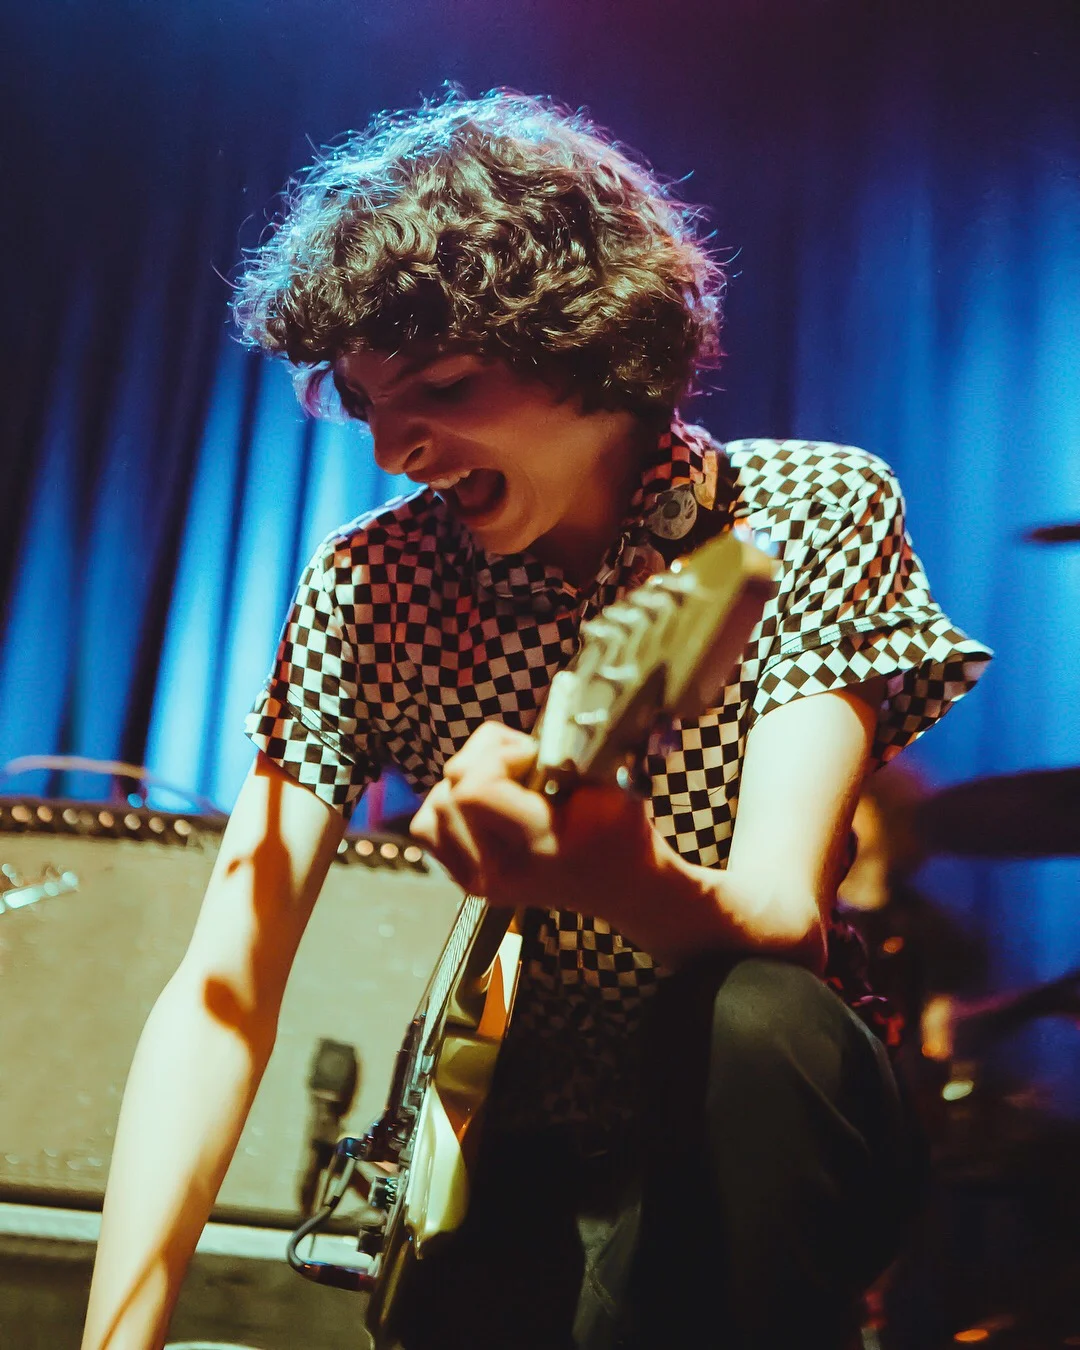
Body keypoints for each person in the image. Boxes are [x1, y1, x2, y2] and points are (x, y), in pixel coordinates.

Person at [80, 90, 991, 1350]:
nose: (395, 451)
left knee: (751, 1026)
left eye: (444, 388)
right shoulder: (372, 585)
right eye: (364, 405)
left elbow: (782, 916)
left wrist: (620, 875)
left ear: (592, 348)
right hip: (514, 1146)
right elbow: (224, 990)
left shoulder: (802, 513)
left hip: (761, 1135)